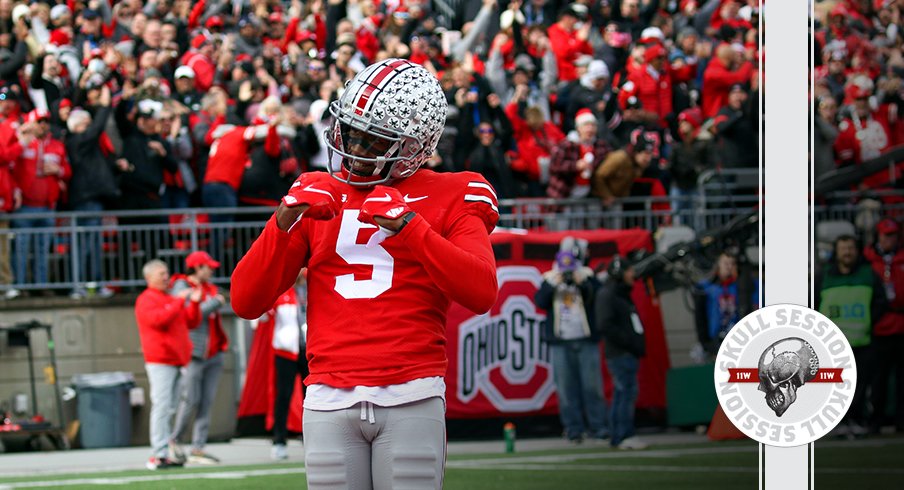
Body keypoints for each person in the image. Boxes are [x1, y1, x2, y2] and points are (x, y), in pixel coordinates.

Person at [230, 59, 499, 489]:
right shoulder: (316, 190)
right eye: (350, 130)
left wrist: (411, 228)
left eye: (372, 139)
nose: (353, 144)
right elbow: (245, 300)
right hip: (327, 395)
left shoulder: (452, 191)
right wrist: (283, 220)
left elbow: (481, 291)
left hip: (410, 390)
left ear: (414, 146)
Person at [535, 237, 608, 444]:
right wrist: (554, 283)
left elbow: (596, 296)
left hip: (585, 339)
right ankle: (573, 429)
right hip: (561, 341)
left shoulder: (586, 275)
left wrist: (581, 281)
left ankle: (599, 427)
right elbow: (540, 300)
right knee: (566, 389)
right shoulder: (550, 277)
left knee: (592, 387)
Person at [816, 235, 886, 436]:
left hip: (862, 340)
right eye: (843, 248)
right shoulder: (825, 276)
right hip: (832, 343)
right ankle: (836, 422)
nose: (847, 252)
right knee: (834, 385)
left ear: (857, 251)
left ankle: (856, 419)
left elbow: (881, 302)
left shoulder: (868, 274)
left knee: (860, 385)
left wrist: (868, 321)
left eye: (851, 248)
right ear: (836, 252)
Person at [135, 259, 201, 470]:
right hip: (160, 361)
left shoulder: (169, 298)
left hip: (176, 360)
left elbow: (191, 321)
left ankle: (164, 451)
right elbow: (159, 320)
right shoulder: (146, 299)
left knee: (170, 408)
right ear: (149, 278)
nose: (166, 277)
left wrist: (196, 303)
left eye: (166, 273)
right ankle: (158, 454)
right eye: (161, 274)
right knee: (162, 407)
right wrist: (179, 301)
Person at [168, 251, 228, 465]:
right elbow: (190, 317)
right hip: (194, 353)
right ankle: (174, 441)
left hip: (214, 352)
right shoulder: (181, 287)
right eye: (207, 267)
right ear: (196, 268)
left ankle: (198, 448)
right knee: (190, 400)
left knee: (206, 401)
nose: (211, 270)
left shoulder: (210, 288)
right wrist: (215, 302)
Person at [595, 255, 648, 450]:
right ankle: (623, 433)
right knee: (625, 393)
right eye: (628, 270)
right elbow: (605, 325)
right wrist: (629, 342)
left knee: (623, 393)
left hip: (624, 352)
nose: (632, 274)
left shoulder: (619, 293)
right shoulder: (609, 295)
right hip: (620, 352)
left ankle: (619, 434)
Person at [863, 218, 904, 434]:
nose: (891, 239)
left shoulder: (900, 258)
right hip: (878, 325)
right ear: (878, 236)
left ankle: (900, 419)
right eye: (886, 235)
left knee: (901, 380)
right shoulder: (868, 261)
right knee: (878, 377)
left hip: (901, 323)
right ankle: (876, 418)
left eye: (894, 235)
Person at [271, 269, 310, 460]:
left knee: (310, 397)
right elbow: (262, 316)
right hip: (285, 350)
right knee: (283, 396)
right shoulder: (280, 292)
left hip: (308, 349)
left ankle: (310, 439)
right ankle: (279, 441)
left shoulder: (311, 289)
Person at [694, 252, 758, 358]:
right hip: (715, 340)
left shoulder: (745, 287)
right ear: (718, 264)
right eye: (726, 263)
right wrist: (705, 342)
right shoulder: (706, 288)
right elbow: (700, 316)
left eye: (733, 263)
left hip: (739, 340)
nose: (729, 267)